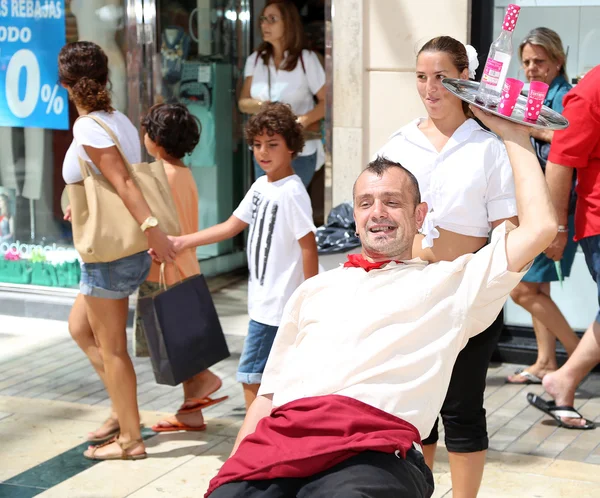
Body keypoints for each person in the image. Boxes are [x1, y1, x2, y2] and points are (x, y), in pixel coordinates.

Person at [204, 106, 558, 498]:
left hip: (372, 453)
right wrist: (231, 473)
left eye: (392, 201)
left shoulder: (452, 283)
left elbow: (539, 228)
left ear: (420, 214)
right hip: (281, 443)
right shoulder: (314, 291)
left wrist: (514, 136)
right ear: (354, 216)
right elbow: (266, 399)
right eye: (366, 203)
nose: (378, 213)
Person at [375, 36, 518, 498]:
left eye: (442, 77)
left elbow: (508, 229)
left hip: (469, 292)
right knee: (415, 407)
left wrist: (487, 288)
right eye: (421, 76)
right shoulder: (399, 143)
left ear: (465, 79)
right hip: (410, 290)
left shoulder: (489, 146)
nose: (430, 88)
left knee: (461, 408)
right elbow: (380, 215)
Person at [59, 41, 175, 460]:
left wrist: (152, 230)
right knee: (79, 328)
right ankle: (120, 410)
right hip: (115, 247)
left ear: (67, 85)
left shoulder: (89, 127)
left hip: (109, 251)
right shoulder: (115, 119)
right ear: (106, 78)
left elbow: (125, 184)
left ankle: (130, 439)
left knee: (112, 347)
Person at [170, 102, 319, 411]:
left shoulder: (292, 192)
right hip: (262, 304)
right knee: (266, 377)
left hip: (277, 307)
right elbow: (230, 226)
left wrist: (310, 298)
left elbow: (308, 245)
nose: (263, 152)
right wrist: (183, 242)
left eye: (273, 145)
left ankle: (254, 440)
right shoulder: (260, 186)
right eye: (257, 145)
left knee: (251, 375)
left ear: (292, 147)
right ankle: (267, 436)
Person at [132, 103, 227, 432]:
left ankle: (204, 379)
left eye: (146, 131)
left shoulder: (159, 175)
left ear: (156, 140)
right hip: (186, 266)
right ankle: (191, 412)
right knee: (182, 341)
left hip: (164, 268)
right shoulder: (184, 173)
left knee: (173, 344)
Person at [528, 64, 600, 430]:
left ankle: (563, 378)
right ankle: (561, 373)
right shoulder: (591, 90)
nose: (530, 67)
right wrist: (556, 228)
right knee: (525, 291)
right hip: (596, 220)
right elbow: (560, 159)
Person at [507, 27, 579, 385]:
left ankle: (577, 356)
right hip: (537, 206)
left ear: (557, 60)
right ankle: (545, 361)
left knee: (521, 288)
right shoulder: (533, 96)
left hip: (559, 208)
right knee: (538, 289)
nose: (532, 68)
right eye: (526, 62)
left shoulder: (566, 97)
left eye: (540, 61)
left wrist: (531, 129)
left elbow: (567, 143)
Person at [238, 0, 325, 188]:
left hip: (298, 152)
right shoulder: (255, 60)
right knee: (267, 207)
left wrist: (302, 121)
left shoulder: (306, 60)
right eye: (263, 19)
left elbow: (328, 102)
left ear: (288, 23)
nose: (264, 24)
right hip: (264, 151)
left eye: (272, 19)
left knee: (289, 209)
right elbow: (243, 102)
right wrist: (264, 106)